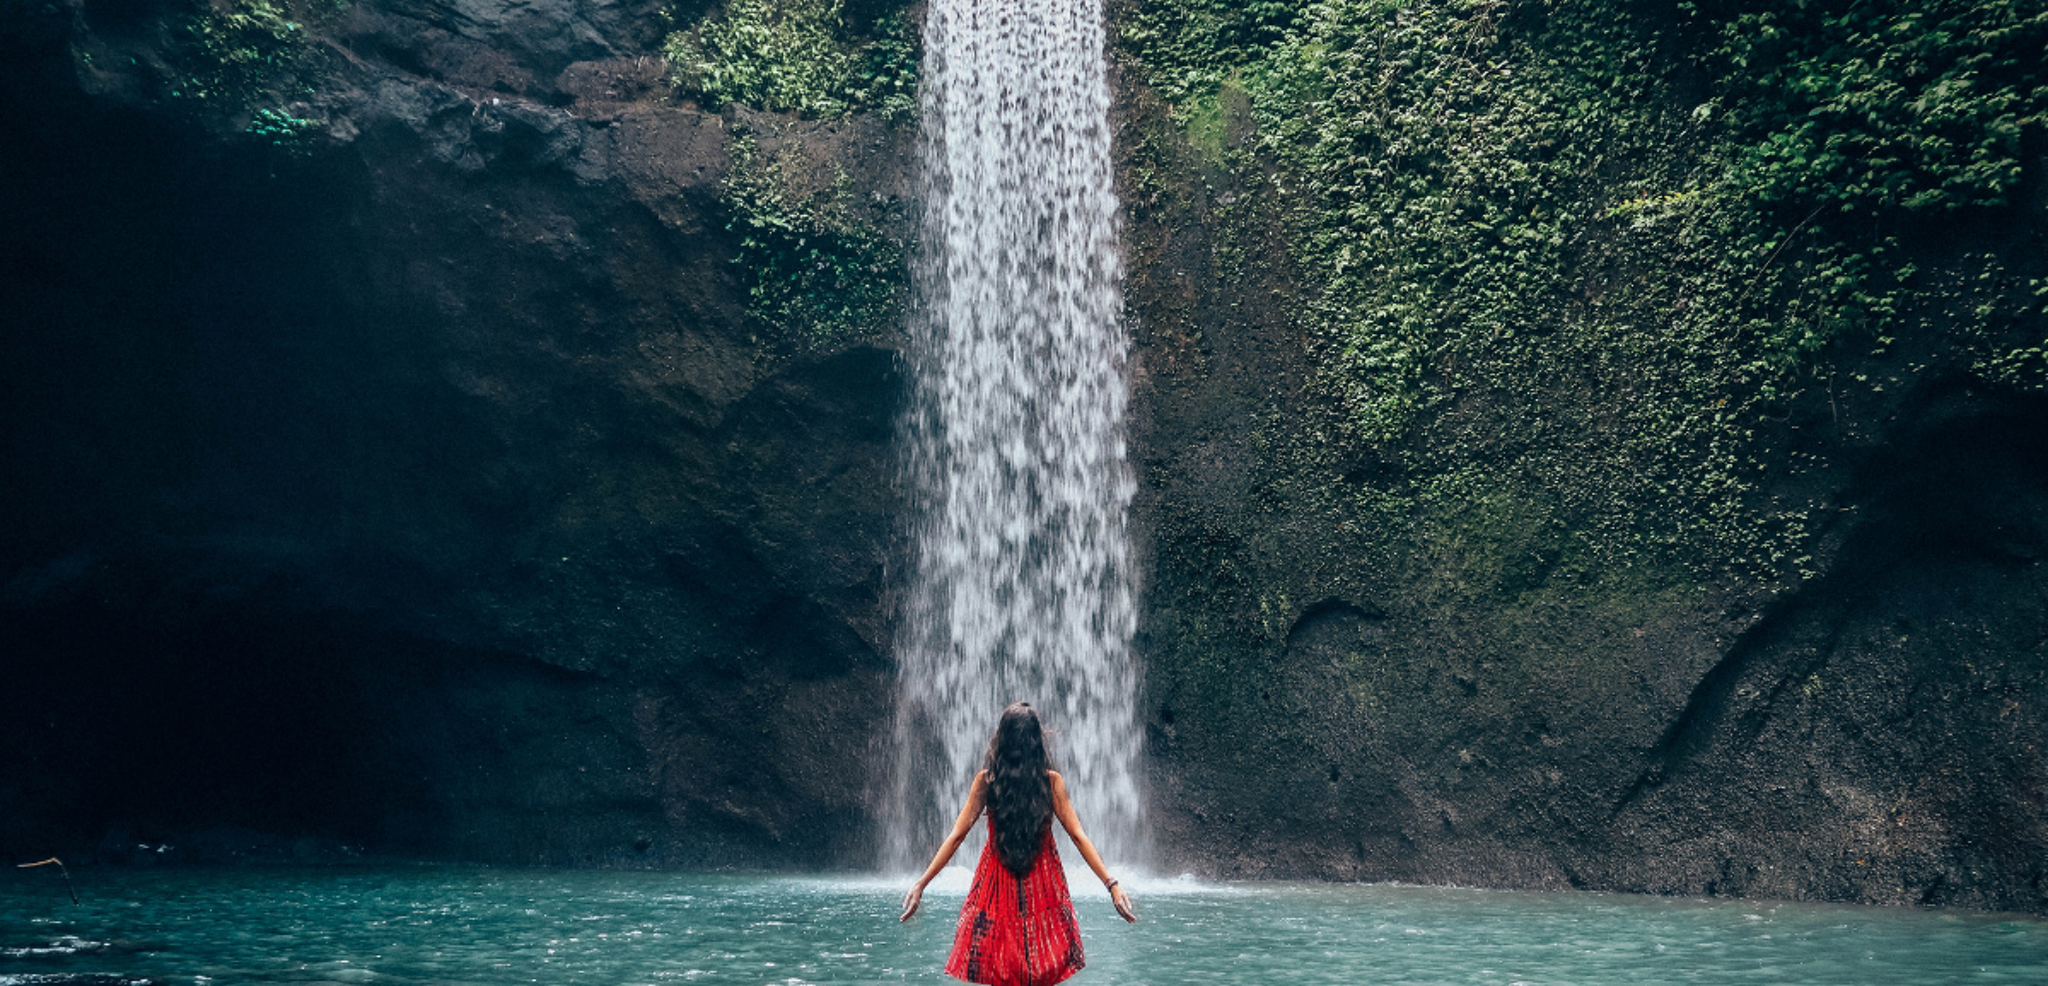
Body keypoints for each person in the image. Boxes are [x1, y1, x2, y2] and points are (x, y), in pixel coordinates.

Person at [900, 702, 1137, 986]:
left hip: (995, 885)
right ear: (1037, 742)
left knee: (1000, 964)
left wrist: (921, 884)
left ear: (1001, 739)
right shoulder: (1051, 783)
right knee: (1039, 962)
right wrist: (1111, 884)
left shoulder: (987, 781)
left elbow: (956, 837)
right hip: (1042, 885)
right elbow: (1078, 836)